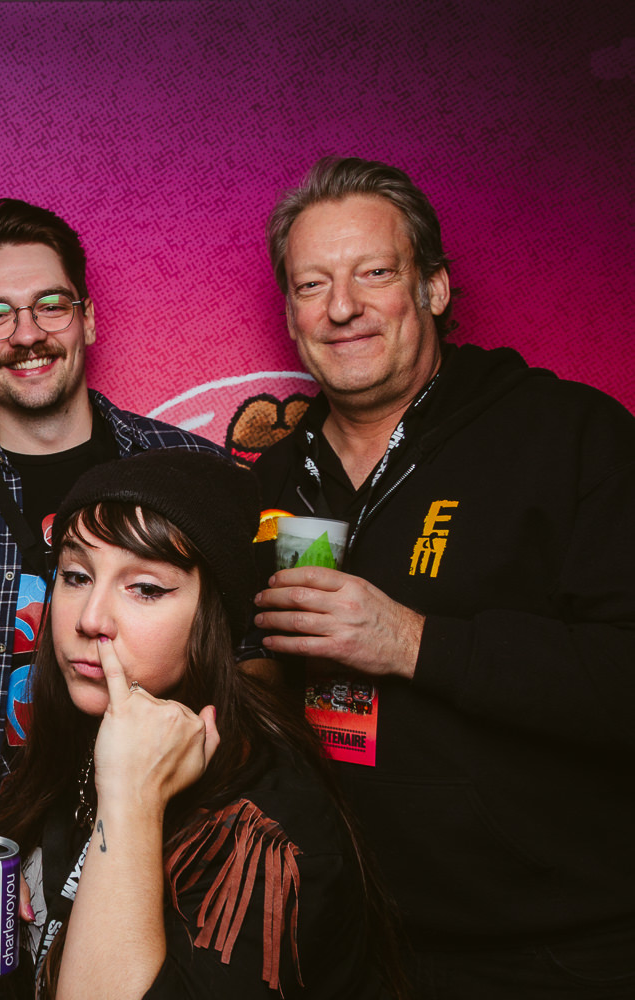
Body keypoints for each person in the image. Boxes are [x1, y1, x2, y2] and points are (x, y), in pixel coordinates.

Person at [251, 157, 635, 997]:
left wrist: (412, 641)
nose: (341, 307)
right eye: (312, 284)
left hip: (549, 952)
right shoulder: (275, 480)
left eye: (374, 273)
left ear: (433, 287)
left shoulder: (569, 437)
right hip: (344, 943)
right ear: (290, 314)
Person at [0, 199, 223, 999]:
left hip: (170, 871)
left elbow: (243, 672)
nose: (27, 334)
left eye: (49, 305)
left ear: (88, 318)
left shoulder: (189, 475)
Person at [0, 450, 396, 998]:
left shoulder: (265, 834)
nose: (90, 619)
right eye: (76, 576)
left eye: (146, 588)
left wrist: (132, 799)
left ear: (212, 618)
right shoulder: (78, 739)